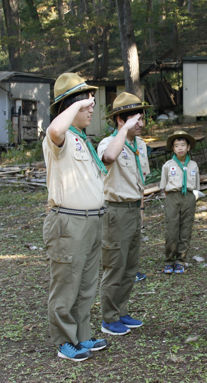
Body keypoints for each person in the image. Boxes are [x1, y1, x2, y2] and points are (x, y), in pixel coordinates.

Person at [42, 73, 109, 362]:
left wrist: (81, 101)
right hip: (69, 222)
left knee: (86, 283)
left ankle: (82, 334)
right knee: (67, 283)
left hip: (93, 220)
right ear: (70, 105)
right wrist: (74, 103)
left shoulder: (82, 139)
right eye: (86, 103)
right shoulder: (60, 137)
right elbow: (55, 129)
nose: (92, 107)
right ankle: (64, 341)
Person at [97, 92, 151, 336]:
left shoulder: (140, 145)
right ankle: (108, 318)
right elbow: (109, 158)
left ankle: (121, 311)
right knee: (114, 266)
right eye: (135, 119)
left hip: (133, 210)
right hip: (115, 212)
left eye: (142, 119)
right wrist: (123, 130)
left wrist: (140, 210)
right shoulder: (108, 143)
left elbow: (140, 180)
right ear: (120, 120)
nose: (141, 124)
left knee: (130, 266)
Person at [159, 130, 200, 274]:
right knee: (172, 229)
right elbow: (163, 186)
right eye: (177, 146)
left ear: (188, 147)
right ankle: (169, 260)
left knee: (186, 228)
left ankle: (180, 260)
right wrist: (171, 197)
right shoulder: (167, 165)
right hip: (173, 197)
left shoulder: (194, 165)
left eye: (183, 145)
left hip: (188, 197)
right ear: (173, 148)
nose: (180, 148)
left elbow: (196, 186)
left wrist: (192, 197)